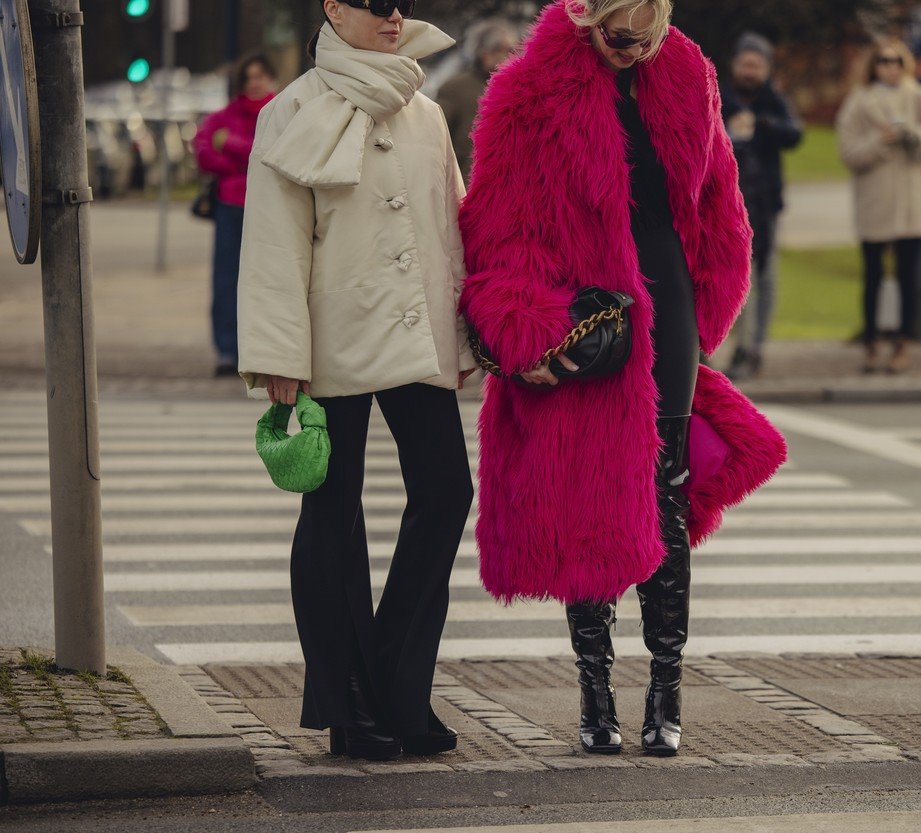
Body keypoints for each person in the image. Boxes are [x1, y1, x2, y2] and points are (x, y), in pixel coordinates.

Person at [460, 0, 787, 758]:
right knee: (590, 491)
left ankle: (666, 689)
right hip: (587, 317)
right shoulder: (525, 93)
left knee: (663, 490)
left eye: (649, 35)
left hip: (666, 303)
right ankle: (595, 690)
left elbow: (718, 207)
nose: (635, 50)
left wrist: (706, 311)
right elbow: (497, 229)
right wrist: (528, 326)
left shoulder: (688, 73)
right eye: (619, 35)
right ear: (585, 16)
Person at [236, 0, 479, 762]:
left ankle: (396, 692)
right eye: (376, 4)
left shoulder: (427, 114)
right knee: (333, 516)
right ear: (334, 7)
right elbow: (274, 243)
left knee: (446, 492)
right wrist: (279, 354)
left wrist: (474, 332)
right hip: (329, 338)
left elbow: (454, 225)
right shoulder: (291, 111)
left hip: (416, 332)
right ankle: (347, 705)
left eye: (402, 4)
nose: (394, 16)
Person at [838, 37, 921, 374]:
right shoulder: (859, 102)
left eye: (896, 61)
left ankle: (903, 342)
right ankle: (871, 342)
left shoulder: (920, 97)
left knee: (908, 277)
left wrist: (913, 136)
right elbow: (848, 152)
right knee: (872, 276)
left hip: (912, 203)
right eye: (883, 61)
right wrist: (881, 142)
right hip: (874, 202)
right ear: (873, 66)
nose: (890, 67)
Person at [721, 32, 803, 381]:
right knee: (739, 278)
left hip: (766, 202)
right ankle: (738, 345)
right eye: (746, 63)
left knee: (766, 277)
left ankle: (756, 346)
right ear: (735, 65)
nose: (751, 71)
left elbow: (794, 134)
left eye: (757, 65)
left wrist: (764, 125)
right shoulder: (720, 98)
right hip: (728, 202)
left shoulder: (774, 101)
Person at [194, 53, 277, 378]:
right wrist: (247, 158)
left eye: (259, 76)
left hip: (270, 208)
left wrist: (230, 145)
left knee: (270, 281)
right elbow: (204, 154)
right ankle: (228, 350)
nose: (254, 83)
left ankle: (267, 351)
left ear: (269, 78)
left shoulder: (282, 112)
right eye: (248, 78)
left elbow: (274, 155)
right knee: (227, 281)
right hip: (231, 207)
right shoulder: (222, 116)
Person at [436, 19, 517, 184]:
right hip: (463, 187)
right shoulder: (456, 88)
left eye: (511, 50)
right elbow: (434, 141)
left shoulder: (517, 90)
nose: (508, 57)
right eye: (499, 50)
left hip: (506, 188)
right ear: (483, 53)